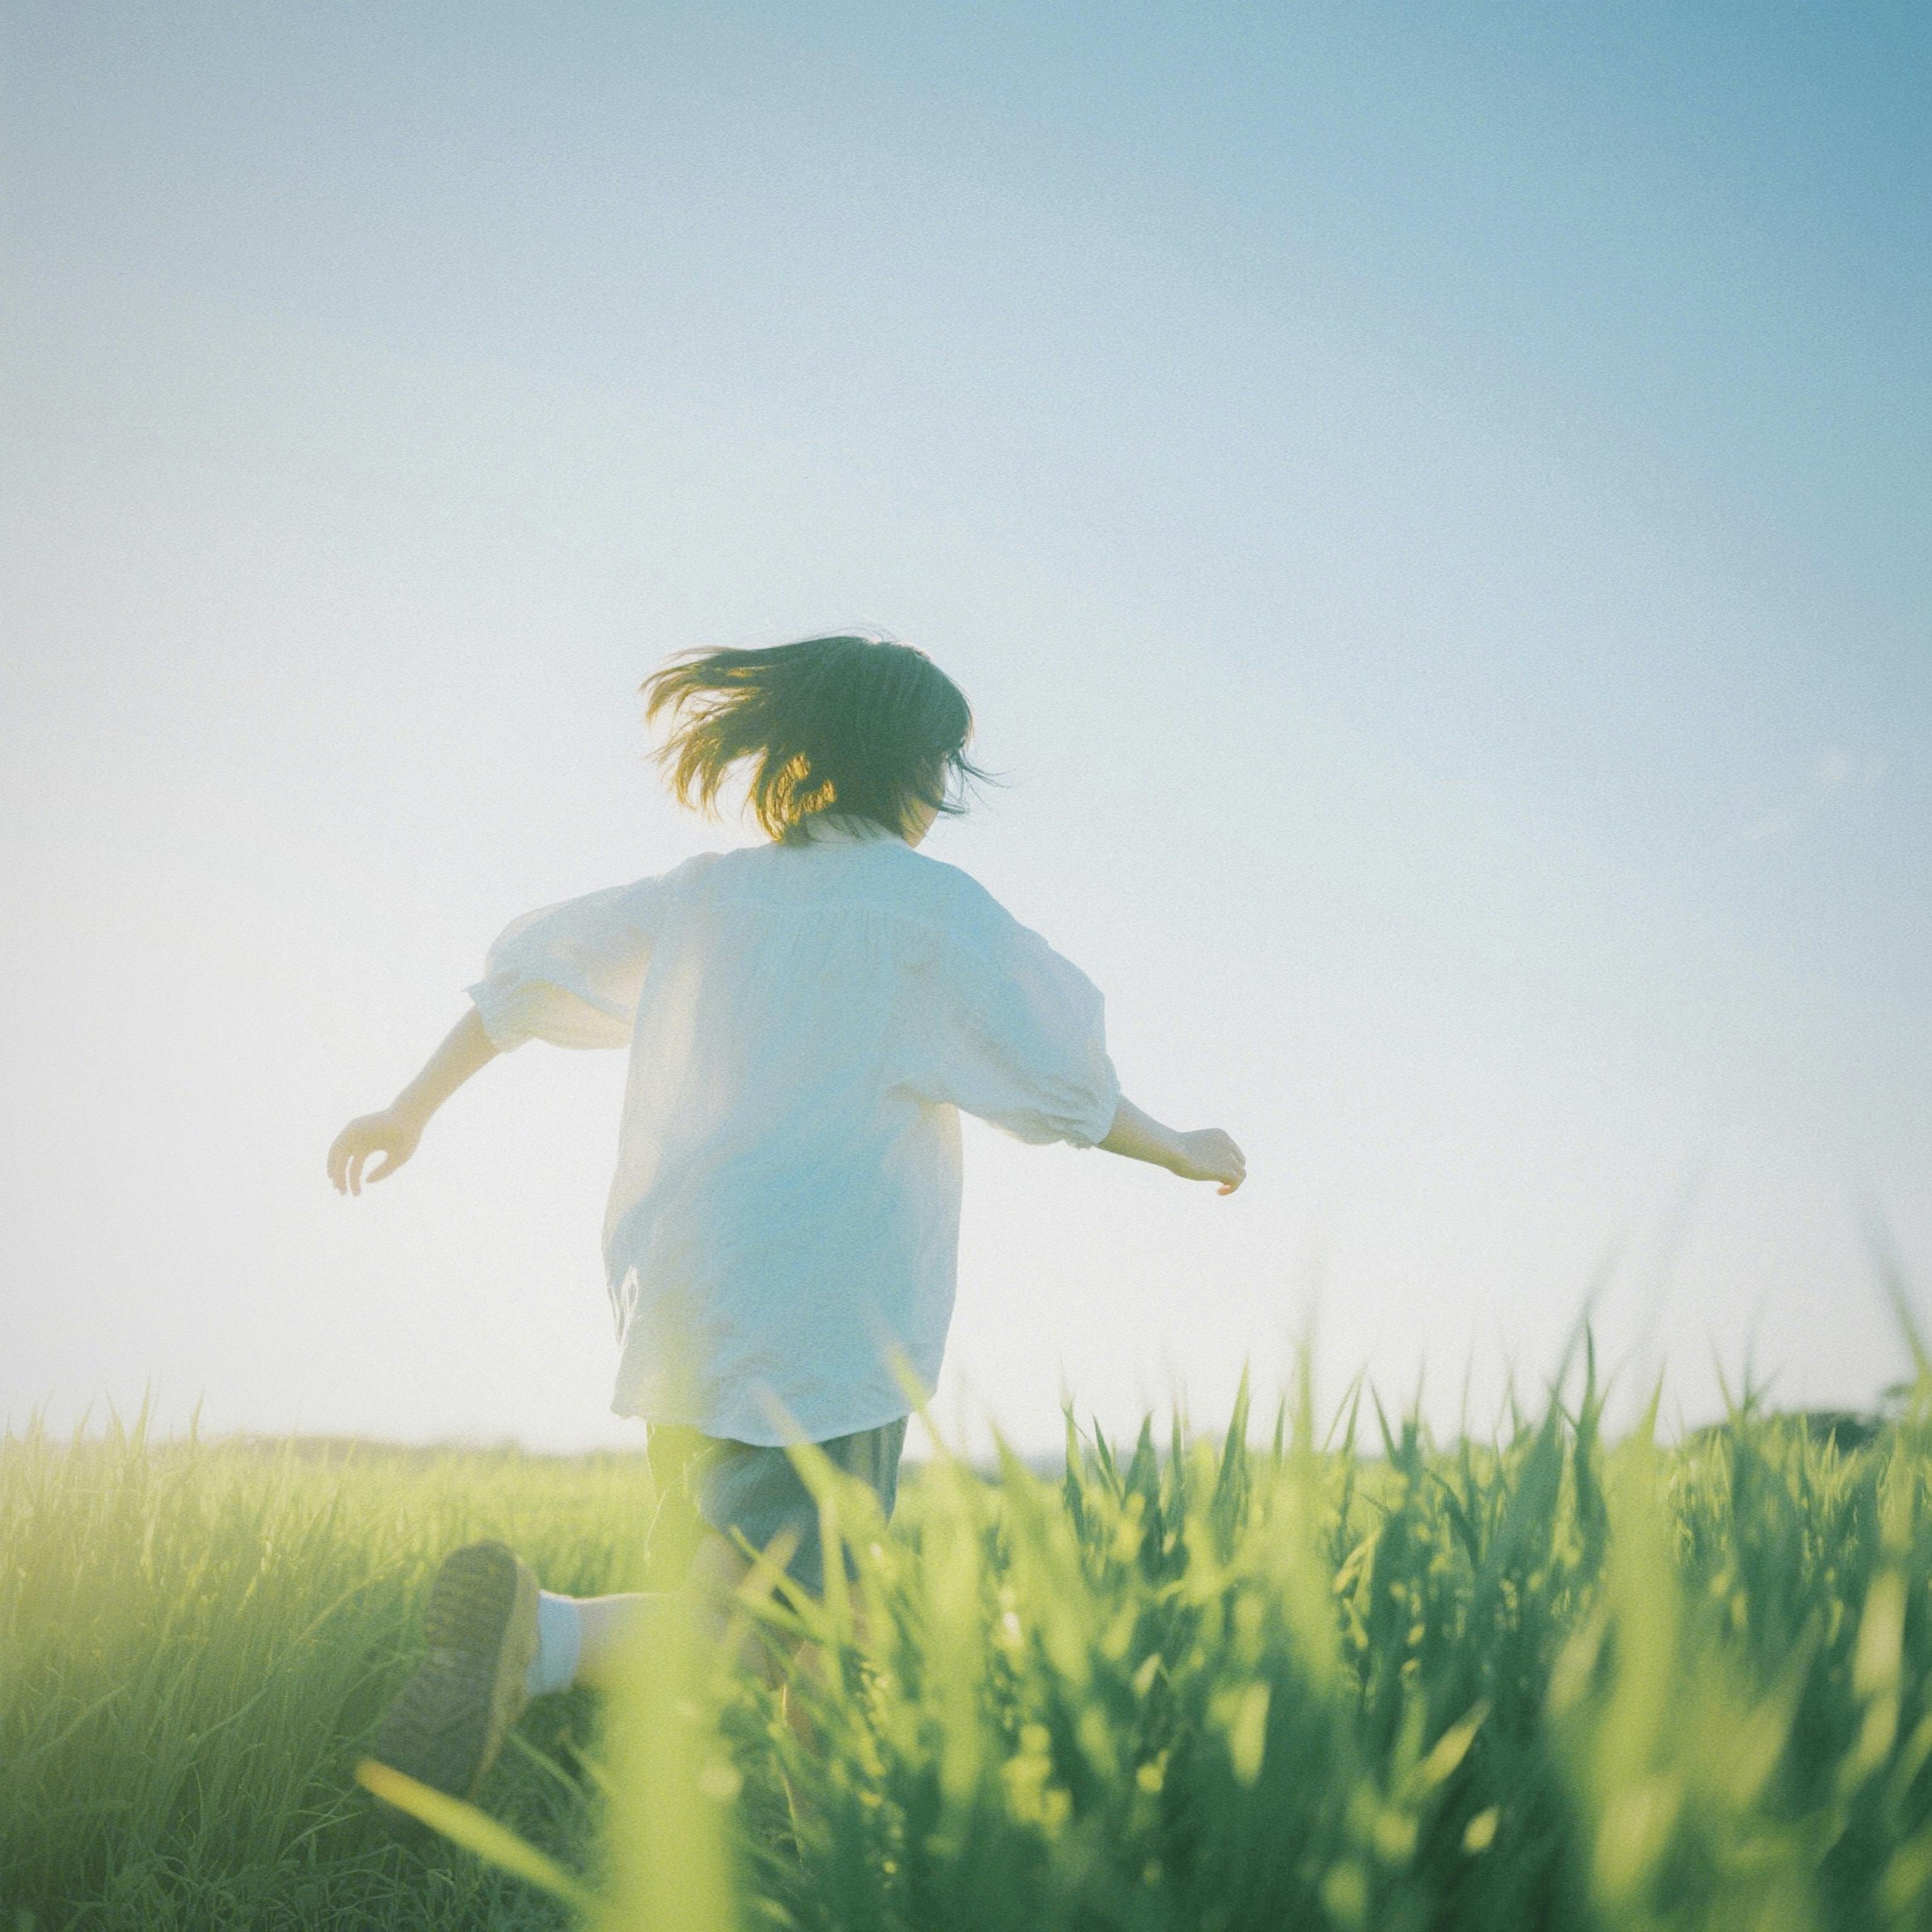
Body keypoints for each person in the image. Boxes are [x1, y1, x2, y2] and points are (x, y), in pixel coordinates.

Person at [329, 632, 1245, 1803]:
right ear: (919, 772)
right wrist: (1179, 1148)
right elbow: (1062, 1081)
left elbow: (522, 985)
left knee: (822, 1609)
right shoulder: (929, 909)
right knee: (773, 1613)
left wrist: (407, 1110)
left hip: (683, 1294)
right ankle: (543, 1638)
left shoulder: (708, 896)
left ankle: (822, 1844)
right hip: (826, 1315)